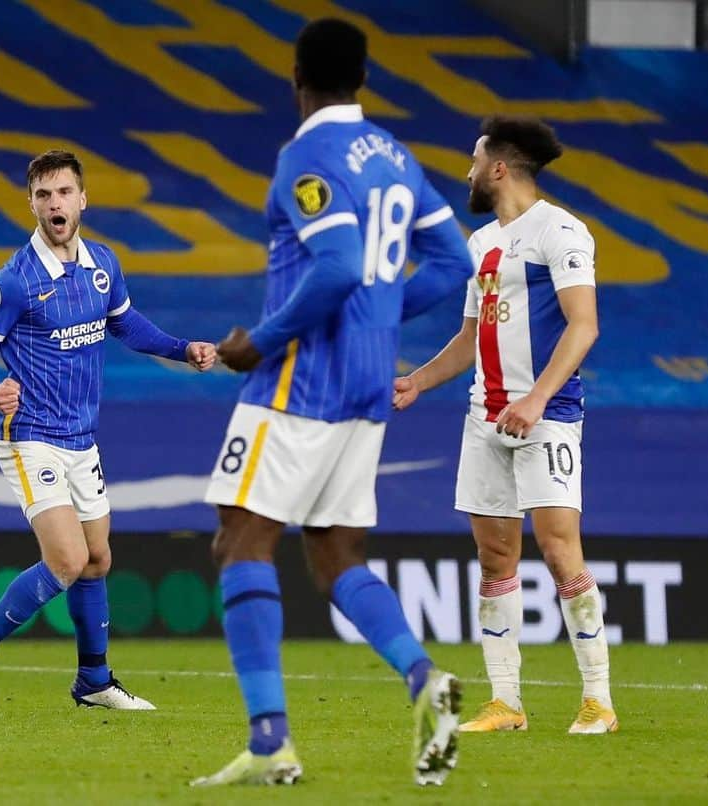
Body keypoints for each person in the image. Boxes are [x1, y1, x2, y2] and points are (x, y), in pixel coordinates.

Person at [193, 18, 476, 788]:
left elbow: (340, 262)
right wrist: (379, 320)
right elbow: (455, 260)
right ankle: (425, 681)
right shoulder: (395, 156)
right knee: (334, 554)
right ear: (364, 77)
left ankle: (269, 742)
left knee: (239, 544)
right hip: (366, 385)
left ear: (296, 78)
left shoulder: (307, 156)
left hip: (299, 382)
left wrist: (262, 339)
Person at [0, 149, 216, 714]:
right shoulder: (16, 280)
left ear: (82, 199)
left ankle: (93, 680)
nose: (55, 204)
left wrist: (181, 348)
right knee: (68, 560)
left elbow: (125, 322)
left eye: (64, 192)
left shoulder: (102, 264)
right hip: (29, 435)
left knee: (98, 559)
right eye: (44, 195)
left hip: (81, 437)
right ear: (31, 204)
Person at [393, 115, 614, 735]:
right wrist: (419, 379)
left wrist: (538, 399)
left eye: (473, 160)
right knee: (495, 559)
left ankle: (598, 698)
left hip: (547, 416)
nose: (466, 172)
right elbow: (470, 337)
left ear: (498, 166)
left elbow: (583, 325)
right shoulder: (480, 242)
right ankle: (506, 703)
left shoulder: (562, 231)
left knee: (559, 548)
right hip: (484, 418)